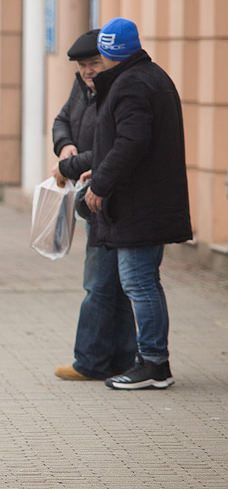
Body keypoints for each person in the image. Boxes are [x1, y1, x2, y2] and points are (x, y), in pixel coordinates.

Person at [85, 18, 192, 390]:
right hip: (148, 200)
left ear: (106, 52)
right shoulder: (151, 76)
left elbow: (131, 142)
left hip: (139, 204)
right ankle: (150, 360)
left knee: (140, 282)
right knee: (144, 281)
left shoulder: (130, 84)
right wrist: (97, 170)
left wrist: (100, 182)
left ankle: (153, 364)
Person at [52, 29, 137, 381]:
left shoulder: (113, 92)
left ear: (110, 59)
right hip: (92, 194)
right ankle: (121, 358)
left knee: (100, 282)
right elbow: (61, 120)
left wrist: (64, 167)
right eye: (84, 64)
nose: (88, 70)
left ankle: (89, 360)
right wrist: (65, 145)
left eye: (94, 63)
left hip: (109, 195)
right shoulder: (83, 89)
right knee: (112, 283)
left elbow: (109, 147)